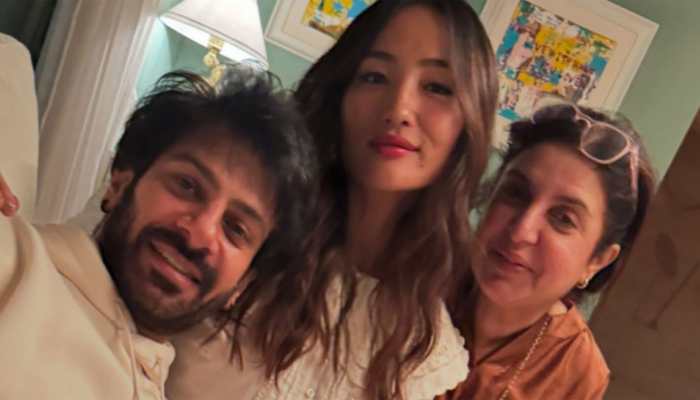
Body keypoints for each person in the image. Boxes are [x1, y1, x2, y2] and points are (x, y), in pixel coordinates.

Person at [165, 0, 498, 399]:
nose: (399, 109)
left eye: (437, 87)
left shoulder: (425, 351)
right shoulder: (242, 230)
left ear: (469, 120)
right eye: (374, 76)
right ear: (341, 94)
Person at [0, 66, 318, 399]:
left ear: (243, 284)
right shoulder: (16, 267)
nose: (199, 234)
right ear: (119, 183)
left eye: (235, 228)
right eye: (187, 185)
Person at [439, 100, 656, 400]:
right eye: (516, 193)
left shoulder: (576, 374)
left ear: (596, 261)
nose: (521, 231)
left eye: (563, 218)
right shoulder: (417, 277)